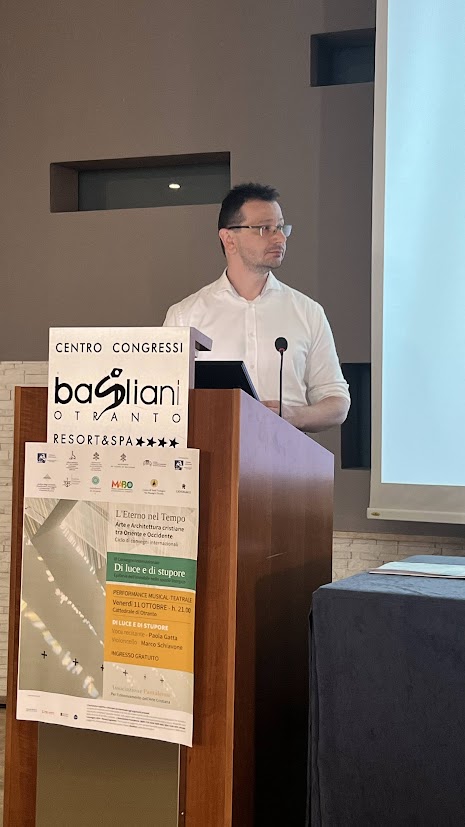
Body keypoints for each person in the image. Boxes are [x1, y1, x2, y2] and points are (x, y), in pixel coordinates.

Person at [163, 183, 350, 432]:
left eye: (281, 228)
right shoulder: (185, 315)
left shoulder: (308, 312)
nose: (280, 238)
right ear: (229, 239)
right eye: (265, 229)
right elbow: (166, 400)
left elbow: (337, 402)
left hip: (288, 454)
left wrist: (294, 415)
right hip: (214, 452)